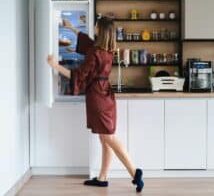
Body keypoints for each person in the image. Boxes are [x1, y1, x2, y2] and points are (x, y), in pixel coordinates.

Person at [47, 17, 144, 193]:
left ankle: (134, 172)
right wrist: (72, 28)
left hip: (98, 97)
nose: (94, 26)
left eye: (96, 25)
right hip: (105, 94)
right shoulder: (106, 50)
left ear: (101, 29)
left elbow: (78, 75)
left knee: (108, 137)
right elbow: (89, 44)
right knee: (104, 138)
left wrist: (55, 66)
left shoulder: (95, 52)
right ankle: (102, 178)